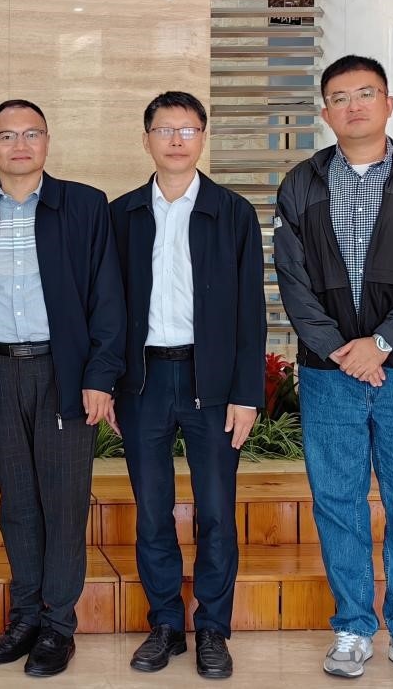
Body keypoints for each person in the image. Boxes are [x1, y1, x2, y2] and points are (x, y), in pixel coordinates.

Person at [274, 55, 393, 686]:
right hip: (329, 373)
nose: (353, 106)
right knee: (337, 500)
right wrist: (340, 350)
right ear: (325, 112)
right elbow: (293, 282)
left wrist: (380, 343)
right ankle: (353, 627)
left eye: (365, 93)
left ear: (388, 103)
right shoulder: (300, 183)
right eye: (340, 97)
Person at [0, 98, 126, 677]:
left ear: (48, 141)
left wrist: (99, 377)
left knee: (64, 501)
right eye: (7, 135)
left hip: (63, 373)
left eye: (31, 134)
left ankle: (58, 625)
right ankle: (25, 617)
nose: (20, 145)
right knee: (19, 504)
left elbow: (108, 298)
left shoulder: (84, 205)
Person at [109, 91, 265, 680]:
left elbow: (251, 312)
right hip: (144, 381)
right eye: (164, 129)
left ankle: (214, 629)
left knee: (217, 512)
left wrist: (247, 393)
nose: (176, 139)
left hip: (214, 383)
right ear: (145, 139)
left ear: (203, 137)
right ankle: (166, 626)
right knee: (152, 511)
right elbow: (107, 309)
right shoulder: (122, 214)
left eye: (188, 129)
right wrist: (109, 382)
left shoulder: (232, 213)